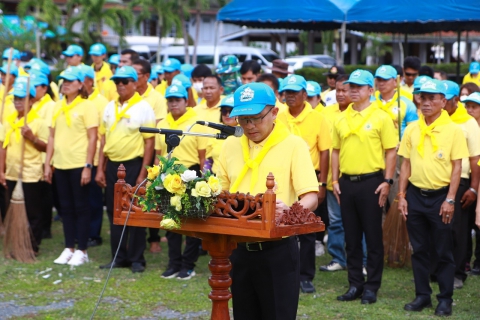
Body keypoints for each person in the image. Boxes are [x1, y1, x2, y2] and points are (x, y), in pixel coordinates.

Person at [218, 82, 319, 319]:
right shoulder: (231, 144)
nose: (250, 126)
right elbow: (220, 191)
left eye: (256, 118)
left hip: (277, 249)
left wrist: (289, 211)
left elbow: (311, 196)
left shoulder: (294, 145)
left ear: (274, 112)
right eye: (243, 120)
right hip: (238, 247)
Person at [397, 79, 469, 317]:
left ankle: (445, 298)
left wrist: (450, 199)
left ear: (443, 101)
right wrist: (402, 195)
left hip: (441, 197)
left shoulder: (454, 130)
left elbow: (457, 167)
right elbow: (405, 163)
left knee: (443, 250)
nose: (426, 103)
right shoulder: (412, 128)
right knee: (419, 249)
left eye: (432, 98)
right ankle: (422, 295)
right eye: (422, 98)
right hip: (416, 195)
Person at [332, 70, 398, 304]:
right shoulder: (340, 118)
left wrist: (387, 181)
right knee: (351, 237)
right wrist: (334, 180)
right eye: (351, 87)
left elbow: (391, 151)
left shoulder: (381, 117)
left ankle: (371, 287)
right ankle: (355, 285)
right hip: (347, 183)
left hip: (372, 182)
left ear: (371, 90)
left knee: (372, 237)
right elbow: (336, 151)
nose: (353, 91)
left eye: (359, 87)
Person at [96, 66, 155, 273]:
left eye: (124, 81)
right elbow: (103, 140)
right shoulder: (109, 107)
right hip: (113, 164)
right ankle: (118, 257)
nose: (120, 85)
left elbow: (149, 143)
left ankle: (137, 258)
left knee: (136, 211)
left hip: (134, 164)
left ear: (134, 83)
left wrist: (143, 173)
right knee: (115, 211)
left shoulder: (143, 107)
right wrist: (100, 169)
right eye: (117, 82)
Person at [277, 74, 331, 294]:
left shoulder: (319, 118)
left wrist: (323, 183)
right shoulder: (279, 116)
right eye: (286, 92)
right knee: (282, 225)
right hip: (284, 177)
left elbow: (325, 152)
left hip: (310, 177)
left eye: (294, 92)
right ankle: (284, 272)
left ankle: (306, 276)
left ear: (304, 94)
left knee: (307, 229)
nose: (289, 97)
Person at [45, 66, 98, 266]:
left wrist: (88, 165)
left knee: (81, 207)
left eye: (69, 80)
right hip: (60, 164)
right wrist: (48, 164)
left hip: (78, 163)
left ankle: (82, 250)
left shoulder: (87, 106)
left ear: (80, 84)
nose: (65, 84)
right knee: (65, 207)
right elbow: (51, 137)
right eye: (63, 80)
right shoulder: (57, 106)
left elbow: (93, 138)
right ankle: (69, 247)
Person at [155, 84, 207, 280]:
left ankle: (188, 264)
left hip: (191, 174)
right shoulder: (162, 123)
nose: (173, 103)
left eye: (177, 100)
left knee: (191, 222)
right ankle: (174, 263)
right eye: (170, 100)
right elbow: (159, 154)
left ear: (186, 101)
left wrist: (202, 179)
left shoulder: (196, 123)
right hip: (167, 174)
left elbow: (203, 156)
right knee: (170, 222)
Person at [0, 78, 49, 255]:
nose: (18, 102)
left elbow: (46, 146)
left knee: (33, 212)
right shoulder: (9, 120)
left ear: (31, 100)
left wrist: (32, 137)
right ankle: (16, 242)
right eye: (16, 99)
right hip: (12, 172)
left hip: (30, 172)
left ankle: (31, 246)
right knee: (11, 209)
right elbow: (3, 147)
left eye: (21, 99)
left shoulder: (38, 122)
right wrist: (1, 170)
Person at [440, 81, 480, 289]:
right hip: (437, 181)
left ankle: (457, 273)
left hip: (462, 180)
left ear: (456, 100)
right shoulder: (435, 119)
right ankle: (435, 270)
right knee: (437, 229)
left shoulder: (468, 122)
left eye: (446, 99)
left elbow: (475, 158)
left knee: (458, 229)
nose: (442, 102)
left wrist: (473, 188)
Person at [319, 74, 351, 272]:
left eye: (344, 90)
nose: (340, 94)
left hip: (351, 177)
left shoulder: (360, 113)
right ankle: (338, 257)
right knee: (336, 221)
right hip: (332, 178)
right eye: (337, 90)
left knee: (358, 223)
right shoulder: (326, 113)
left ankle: (362, 260)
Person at [77, 65, 109, 248]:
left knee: (94, 199)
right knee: (80, 198)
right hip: (77, 156)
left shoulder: (101, 102)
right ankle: (81, 231)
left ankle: (94, 234)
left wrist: (101, 162)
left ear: (90, 81)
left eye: (80, 80)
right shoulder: (73, 102)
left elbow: (102, 135)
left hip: (95, 156)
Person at [29, 70, 56, 239]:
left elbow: (51, 135)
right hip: (30, 157)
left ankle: (46, 228)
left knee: (46, 196)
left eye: (35, 87)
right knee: (34, 197)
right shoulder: (29, 104)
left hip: (45, 155)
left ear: (44, 88)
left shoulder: (51, 106)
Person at [373, 65, 419, 139]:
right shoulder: (370, 102)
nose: (381, 83)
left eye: (385, 80)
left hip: (398, 149)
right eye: (379, 80)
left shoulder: (407, 104)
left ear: (395, 81)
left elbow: (414, 132)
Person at [466, 92, 480, 275]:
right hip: (468, 178)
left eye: (474, 107)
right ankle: (466, 261)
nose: (469, 110)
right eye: (467, 106)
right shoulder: (465, 127)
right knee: (467, 223)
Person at [204, 94, 237, 174]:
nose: (227, 114)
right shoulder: (215, 133)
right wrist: (205, 179)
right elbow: (208, 160)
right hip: (216, 179)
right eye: (224, 111)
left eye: (231, 111)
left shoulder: (246, 133)